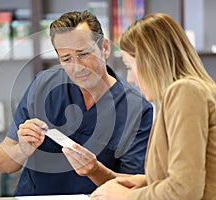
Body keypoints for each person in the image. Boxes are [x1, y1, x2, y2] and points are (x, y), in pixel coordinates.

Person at [0, 10, 153, 196]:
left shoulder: (136, 108)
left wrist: (95, 171)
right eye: (66, 59)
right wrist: (22, 149)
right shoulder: (43, 86)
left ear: (105, 48)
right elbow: (2, 164)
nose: (77, 66)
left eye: (84, 54)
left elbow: (133, 190)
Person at [90, 13, 216, 200]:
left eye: (130, 66)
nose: (130, 78)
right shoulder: (195, 90)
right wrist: (146, 181)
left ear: (151, 60)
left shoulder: (185, 91)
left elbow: (185, 190)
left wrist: (125, 197)